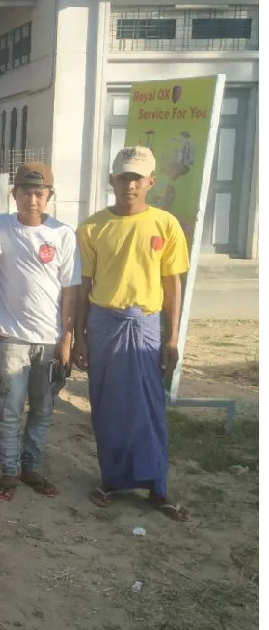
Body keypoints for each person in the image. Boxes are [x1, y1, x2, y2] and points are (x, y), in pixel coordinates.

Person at [74, 145, 188, 519]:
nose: (130, 185)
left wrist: (171, 338)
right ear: (112, 180)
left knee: (149, 406)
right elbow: (82, 285)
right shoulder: (92, 227)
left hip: (146, 326)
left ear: (151, 181)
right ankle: (113, 479)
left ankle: (157, 485)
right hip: (105, 323)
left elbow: (172, 285)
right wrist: (80, 336)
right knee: (108, 406)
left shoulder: (166, 224)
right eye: (124, 177)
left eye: (137, 178)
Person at [0, 161, 81, 504]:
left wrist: (67, 338)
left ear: (50, 196)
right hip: (12, 337)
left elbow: (70, 290)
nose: (32, 199)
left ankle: (31, 467)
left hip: (50, 339)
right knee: (9, 407)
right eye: (25, 192)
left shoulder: (62, 234)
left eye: (40, 193)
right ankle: (9, 470)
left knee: (43, 409)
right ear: (14, 194)